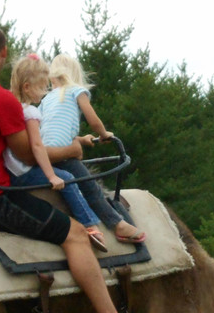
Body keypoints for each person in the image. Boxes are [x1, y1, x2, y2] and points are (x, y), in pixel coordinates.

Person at [0, 23, 152, 313]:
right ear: (3, 54)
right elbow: (27, 155)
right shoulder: (0, 99)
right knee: (75, 235)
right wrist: (72, 149)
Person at [3, 53, 109, 252]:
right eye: (42, 87)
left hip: (7, 171)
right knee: (68, 179)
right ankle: (90, 224)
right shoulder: (31, 113)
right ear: (27, 87)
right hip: (22, 172)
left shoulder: (11, 107)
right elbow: (37, 147)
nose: (44, 92)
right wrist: (51, 175)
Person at [39, 53, 146, 244]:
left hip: (46, 155)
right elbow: (93, 119)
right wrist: (104, 134)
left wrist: (80, 139)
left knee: (73, 183)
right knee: (91, 187)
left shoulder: (46, 100)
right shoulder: (76, 91)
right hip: (65, 156)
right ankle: (116, 225)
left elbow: (49, 130)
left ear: (52, 77)